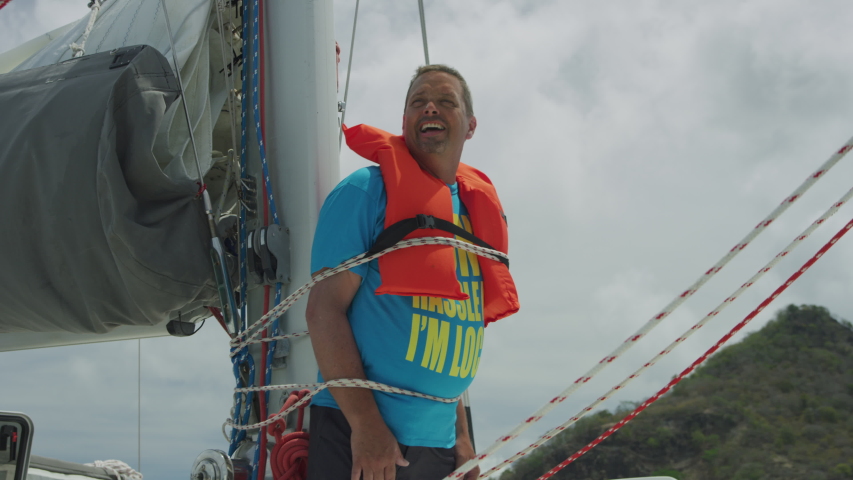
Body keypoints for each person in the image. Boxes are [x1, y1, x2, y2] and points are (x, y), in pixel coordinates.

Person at [306, 65, 519, 480]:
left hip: (438, 446)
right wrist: (366, 426)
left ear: (470, 125)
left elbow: (447, 332)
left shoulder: (476, 214)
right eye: (417, 102)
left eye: (445, 101)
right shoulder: (365, 193)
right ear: (404, 121)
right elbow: (323, 312)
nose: (429, 109)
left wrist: (462, 440)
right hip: (361, 437)